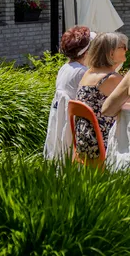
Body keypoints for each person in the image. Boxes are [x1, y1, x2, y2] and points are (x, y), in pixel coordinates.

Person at [74, 32, 128, 159]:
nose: (127, 49)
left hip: (84, 140)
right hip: (101, 143)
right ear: (111, 52)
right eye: (123, 47)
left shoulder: (89, 73)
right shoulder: (112, 78)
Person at [44, 25, 93, 159]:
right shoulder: (82, 72)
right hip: (73, 124)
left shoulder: (65, 68)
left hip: (59, 120)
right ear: (87, 51)